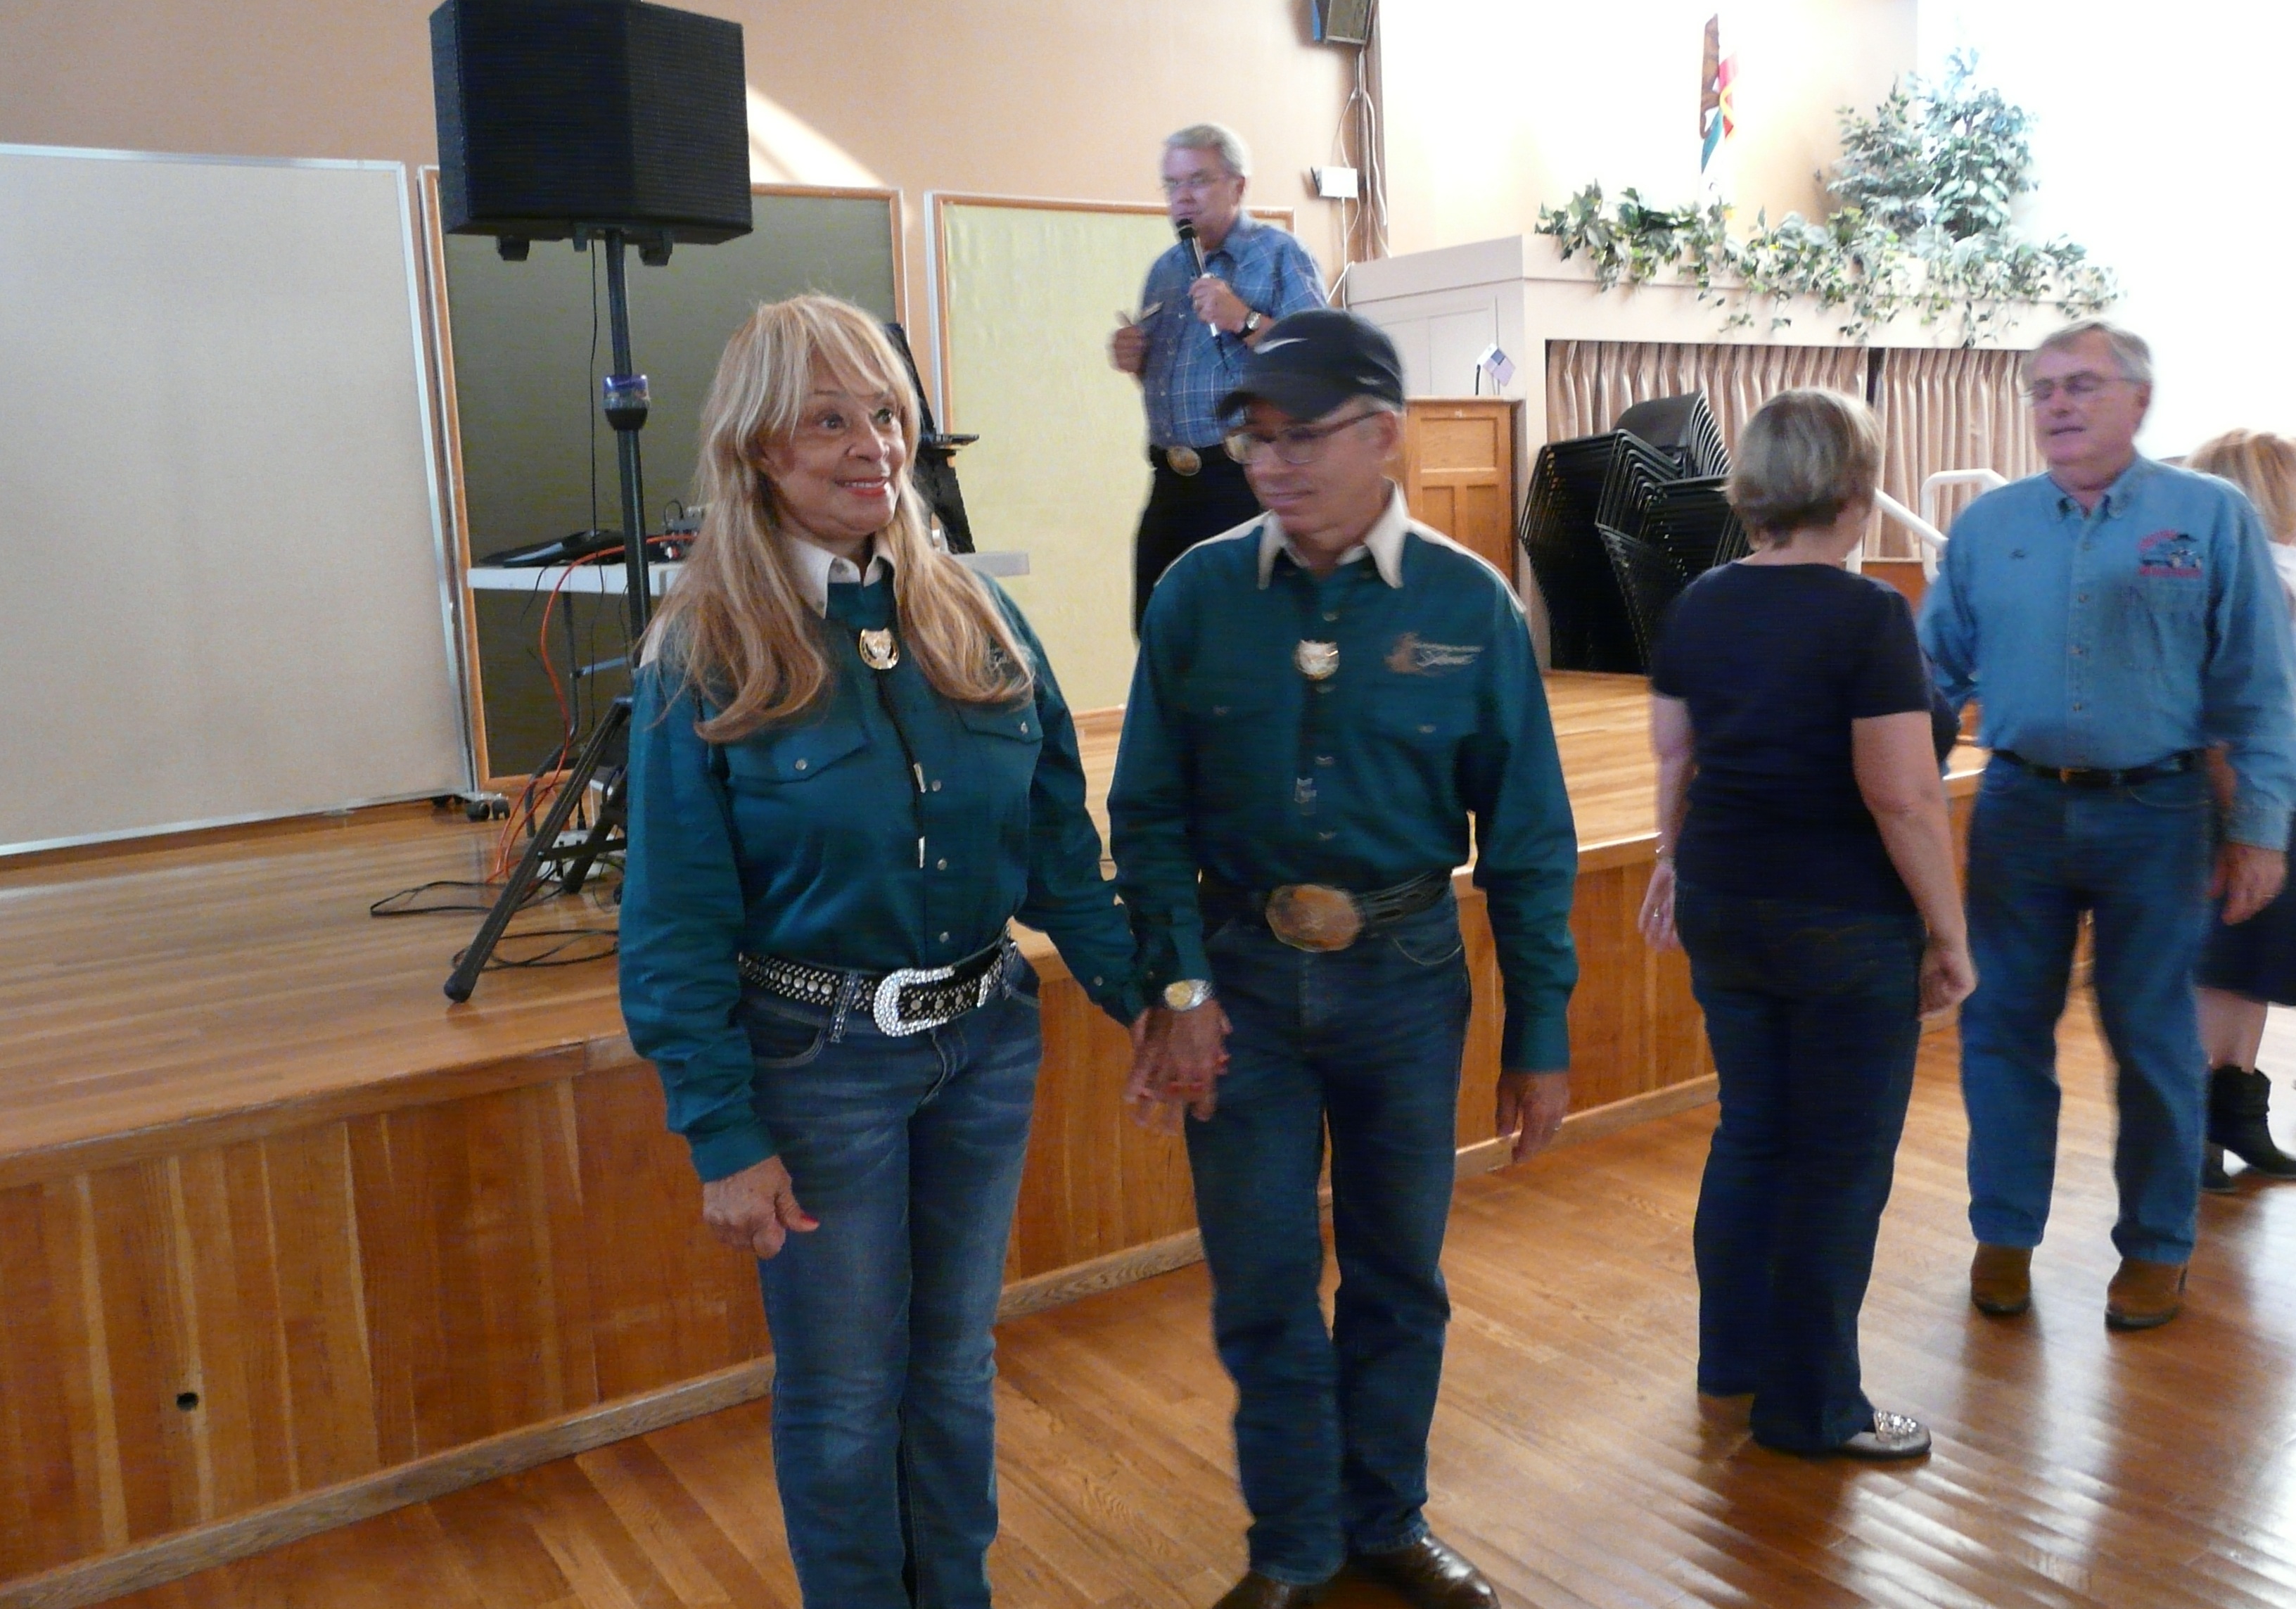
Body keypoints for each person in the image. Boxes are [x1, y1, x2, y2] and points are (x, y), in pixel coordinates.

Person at [617, 295, 1147, 1609]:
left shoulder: (976, 614)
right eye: (829, 420)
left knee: (954, 1366)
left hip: (984, 1044)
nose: (874, 446)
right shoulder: (705, 650)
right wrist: (720, 1131)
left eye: (889, 415)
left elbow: (1056, 850)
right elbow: (673, 923)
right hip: (817, 1066)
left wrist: (1149, 999)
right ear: (759, 449)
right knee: (846, 1390)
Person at [1109, 308, 1579, 1609]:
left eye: (1298, 436)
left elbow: (1529, 841)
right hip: (1238, 982)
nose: (1269, 464)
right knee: (1260, 1282)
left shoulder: (1468, 603)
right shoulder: (1197, 594)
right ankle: (1293, 1546)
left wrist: (1539, 1033)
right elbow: (1145, 815)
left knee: (1396, 1276)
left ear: (1382, 434)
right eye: (1253, 439)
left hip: (1405, 979)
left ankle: (1386, 1520)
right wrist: (1177, 988)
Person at [1920, 322, 2296, 1331]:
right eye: (2042, 388)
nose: (2058, 404)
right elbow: (1930, 677)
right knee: (2002, 1030)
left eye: (2082, 385)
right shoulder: (1989, 526)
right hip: (2019, 811)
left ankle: (2158, 1247)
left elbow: (2261, 687)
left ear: (2139, 399)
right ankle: (2004, 1233)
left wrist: (2260, 830)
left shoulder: (2209, 517)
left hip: (2162, 818)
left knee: (2154, 1040)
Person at [1637, 389, 1975, 1462]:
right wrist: (1950, 933)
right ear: (1857, 490)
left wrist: (1671, 861)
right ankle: (1815, 1408)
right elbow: (1903, 797)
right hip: (1840, 919)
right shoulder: (1867, 614)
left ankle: (1733, 1362)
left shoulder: (1698, 602)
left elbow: (1674, 757)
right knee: (1837, 1163)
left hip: (1724, 901)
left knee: (1752, 1134)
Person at [1108, 121, 1327, 632]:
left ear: (1238, 186)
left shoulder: (1279, 256)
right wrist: (1136, 360)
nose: (1182, 197)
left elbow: (1319, 362)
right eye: (1172, 184)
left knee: (1249, 635)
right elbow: (1175, 385)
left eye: (1198, 180)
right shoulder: (1165, 271)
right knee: (1159, 629)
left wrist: (1244, 320)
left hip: (1246, 480)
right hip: (1172, 482)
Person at [2184, 430, 2296, 1186]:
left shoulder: (2273, 575)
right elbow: (2227, 718)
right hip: (2236, 802)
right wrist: (2241, 824)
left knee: (2252, 963)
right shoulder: (2242, 582)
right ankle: (2193, 1132)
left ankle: (2236, 1114)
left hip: (2270, 797)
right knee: (2219, 965)